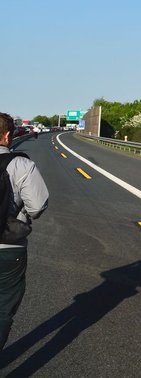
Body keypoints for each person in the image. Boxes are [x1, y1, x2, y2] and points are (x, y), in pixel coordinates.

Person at [0, 112, 49, 351]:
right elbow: (37, 207)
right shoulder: (21, 165)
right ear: (8, 135)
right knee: (3, 308)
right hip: (9, 247)